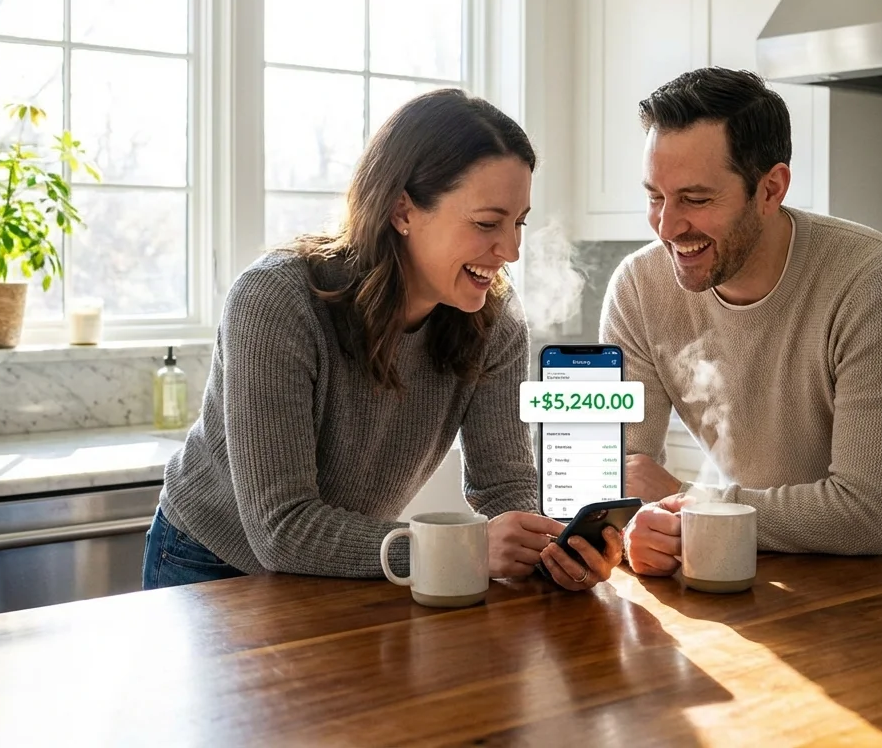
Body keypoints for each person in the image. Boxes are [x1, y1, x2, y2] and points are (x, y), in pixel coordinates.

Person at [144, 89, 622, 592]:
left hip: (344, 565)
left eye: (519, 222)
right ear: (402, 211)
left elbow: (504, 484)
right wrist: (461, 549)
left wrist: (552, 548)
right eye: (487, 223)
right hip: (210, 565)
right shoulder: (276, 300)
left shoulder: (493, 318)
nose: (511, 250)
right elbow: (280, 530)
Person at [602, 67, 882, 575]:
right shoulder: (640, 288)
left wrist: (692, 501)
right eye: (655, 196)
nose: (667, 227)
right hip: (747, 537)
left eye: (696, 199)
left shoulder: (874, 281)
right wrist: (635, 528)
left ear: (771, 189)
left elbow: (864, 516)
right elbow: (621, 477)